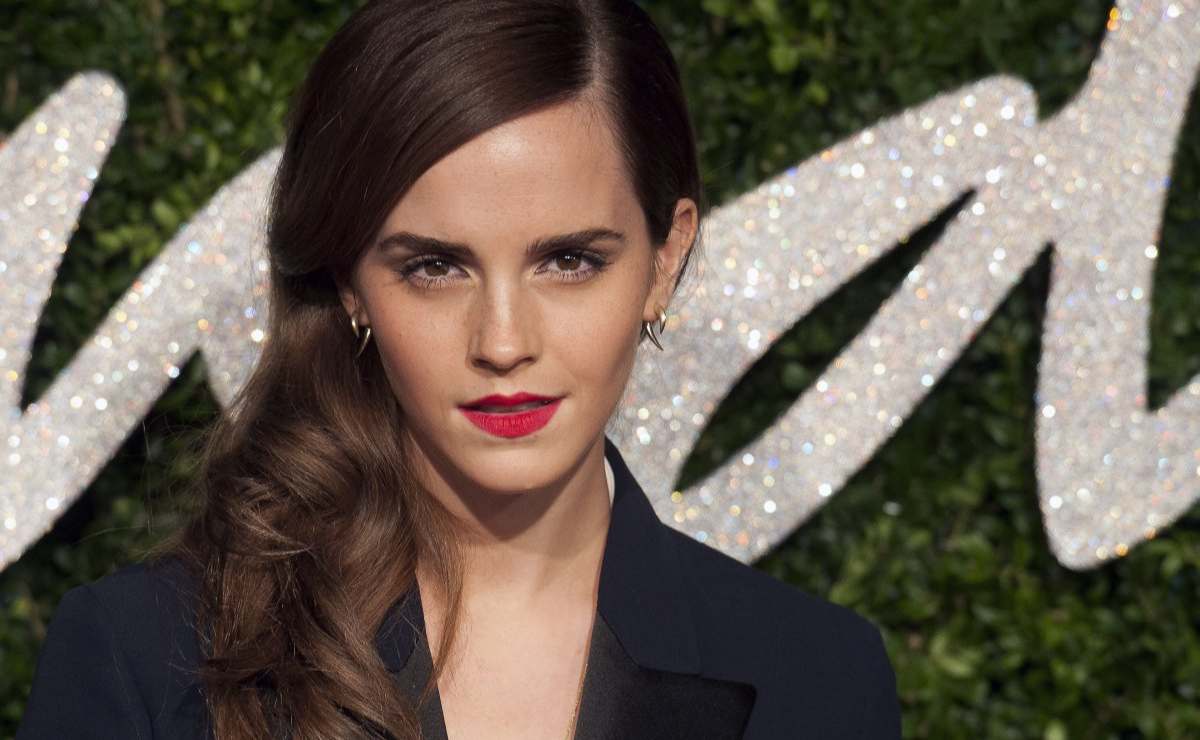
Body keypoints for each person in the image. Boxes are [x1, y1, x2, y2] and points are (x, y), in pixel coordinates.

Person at [17, 0, 901, 738]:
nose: (503, 342)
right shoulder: (146, 661)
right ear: (350, 281)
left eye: (570, 261)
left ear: (664, 260)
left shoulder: (817, 679)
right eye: (435, 267)